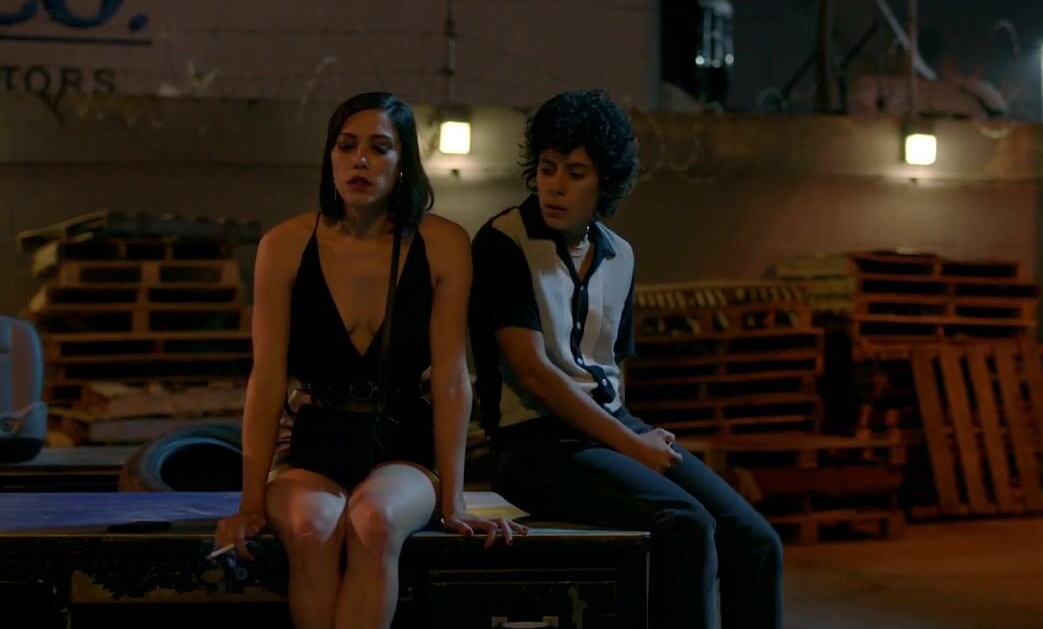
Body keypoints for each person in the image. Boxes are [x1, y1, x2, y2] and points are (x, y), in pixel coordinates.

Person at [469, 89, 783, 629]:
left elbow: (613, 365)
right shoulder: (504, 242)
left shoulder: (620, 253)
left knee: (756, 542)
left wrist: (634, 435)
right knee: (686, 523)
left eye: (575, 173)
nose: (555, 186)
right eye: (547, 168)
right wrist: (631, 447)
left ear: (605, 182)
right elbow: (534, 373)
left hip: (611, 430)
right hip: (535, 445)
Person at [216, 92, 525, 629]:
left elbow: (452, 380)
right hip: (312, 440)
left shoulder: (443, 243)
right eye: (347, 146)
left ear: (404, 163)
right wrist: (249, 504)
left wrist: (454, 501)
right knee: (312, 529)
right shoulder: (284, 245)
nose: (360, 160)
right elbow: (265, 380)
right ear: (330, 157)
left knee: (374, 521)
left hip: (403, 442)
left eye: (380, 148)